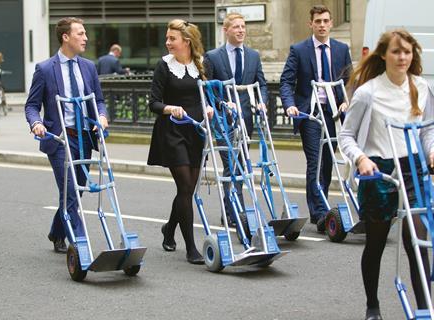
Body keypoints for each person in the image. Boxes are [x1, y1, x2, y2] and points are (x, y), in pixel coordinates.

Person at [339, 30, 434, 320]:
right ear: (383, 55)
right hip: (379, 170)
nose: (402, 57)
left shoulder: (421, 86)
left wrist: (431, 151)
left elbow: (428, 129)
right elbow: (346, 135)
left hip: (413, 169)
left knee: (418, 242)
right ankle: (372, 306)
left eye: (407, 52)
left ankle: (425, 309)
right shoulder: (368, 92)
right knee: (377, 243)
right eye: (396, 52)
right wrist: (361, 158)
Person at [25, 17, 108, 253]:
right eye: (80, 33)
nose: (86, 38)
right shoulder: (45, 69)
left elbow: (99, 101)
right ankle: (82, 246)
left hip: (84, 137)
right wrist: (36, 123)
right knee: (70, 190)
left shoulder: (89, 67)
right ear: (66, 37)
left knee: (77, 190)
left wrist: (101, 116)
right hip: (59, 138)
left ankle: (56, 232)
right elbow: (31, 105)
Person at [279, 4, 352, 232]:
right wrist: (290, 106)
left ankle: (321, 208)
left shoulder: (341, 49)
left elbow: (349, 81)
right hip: (310, 112)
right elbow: (286, 82)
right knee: (316, 161)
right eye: (317, 21)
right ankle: (320, 213)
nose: (322, 25)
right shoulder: (299, 50)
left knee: (329, 162)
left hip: (333, 112)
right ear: (310, 24)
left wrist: (345, 100)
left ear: (331, 24)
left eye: (325, 21)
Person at [147, 19, 213, 264]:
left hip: (196, 131)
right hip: (172, 132)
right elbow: (153, 102)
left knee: (186, 189)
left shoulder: (203, 64)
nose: (167, 42)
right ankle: (191, 248)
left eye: (171, 39)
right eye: (167, 38)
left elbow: (210, 96)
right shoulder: (164, 66)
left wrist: (212, 109)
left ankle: (169, 228)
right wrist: (169, 107)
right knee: (185, 187)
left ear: (186, 41)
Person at [204, 12, 268, 227]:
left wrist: (262, 102)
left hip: (246, 119)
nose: (241, 30)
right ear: (226, 29)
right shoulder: (213, 57)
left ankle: (231, 211)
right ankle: (235, 212)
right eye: (236, 27)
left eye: (243, 26)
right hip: (223, 121)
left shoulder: (253, 56)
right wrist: (219, 106)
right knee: (231, 165)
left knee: (241, 165)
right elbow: (207, 90)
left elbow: (262, 84)